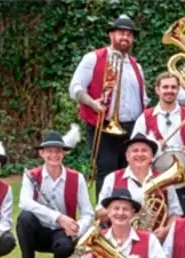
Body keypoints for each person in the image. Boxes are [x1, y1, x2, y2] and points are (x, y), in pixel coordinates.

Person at [69, 15, 148, 193]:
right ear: (111, 35)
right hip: (103, 125)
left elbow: (143, 99)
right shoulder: (93, 58)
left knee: (130, 172)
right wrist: (93, 103)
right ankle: (104, 218)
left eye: (129, 35)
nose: (125, 38)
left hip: (132, 127)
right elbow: (75, 87)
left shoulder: (136, 65)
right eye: (121, 33)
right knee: (106, 171)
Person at [17, 127, 94, 258]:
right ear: (41, 153)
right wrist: (58, 217)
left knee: (65, 247)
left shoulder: (76, 177)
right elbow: (24, 202)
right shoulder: (31, 176)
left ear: (63, 153)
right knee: (24, 218)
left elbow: (88, 212)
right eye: (49, 151)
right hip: (38, 230)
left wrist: (77, 227)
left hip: (61, 233)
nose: (54, 155)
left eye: (58, 151)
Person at [132, 72, 185, 215]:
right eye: (165, 87)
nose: (169, 91)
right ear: (157, 89)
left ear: (178, 89)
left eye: (173, 87)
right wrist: (152, 147)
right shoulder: (145, 117)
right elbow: (134, 150)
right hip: (157, 181)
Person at [96, 133, 183, 240]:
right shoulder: (111, 178)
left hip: (156, 240)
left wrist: (166, 230)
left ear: (151, 156)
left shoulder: (165, 179)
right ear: (127, 156)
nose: (139, 154)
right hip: (119, 241)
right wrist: (122, 210)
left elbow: (176, 214)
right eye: (135, 151)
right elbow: (100, 214)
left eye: (144, 150)